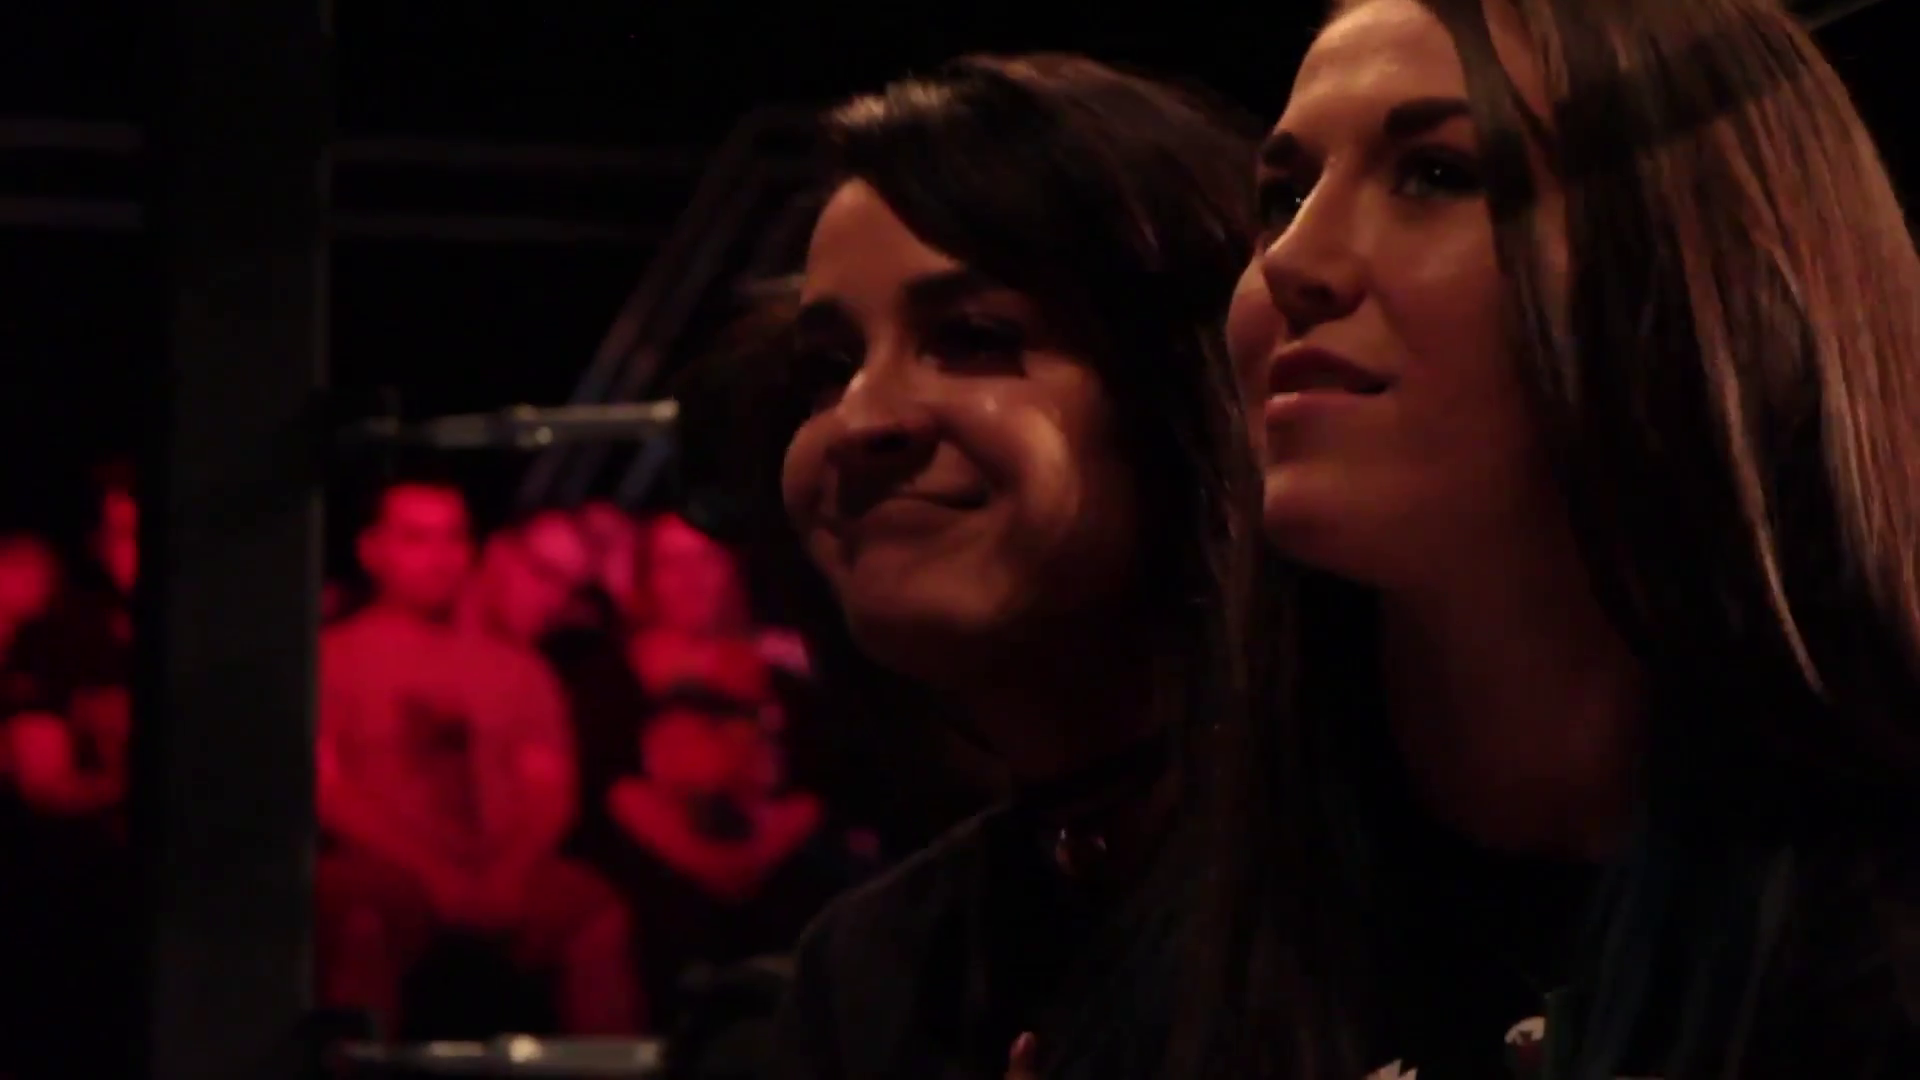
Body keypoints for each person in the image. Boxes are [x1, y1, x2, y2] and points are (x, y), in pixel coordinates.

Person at [1185, 1, 1920, 1078]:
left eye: (1436, 173)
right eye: (1283, 197)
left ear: (1703, 265)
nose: (1293, 260)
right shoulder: (1201, 938)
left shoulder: (1880, 939)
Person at [763, 54, 1262, 1079]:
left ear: (1189, 384)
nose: (858, 419)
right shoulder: (871, 975)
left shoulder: (1420, 895)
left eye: (973, 338)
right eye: (829, 367)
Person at [316, 475, 642, 1035]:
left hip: (506, 873)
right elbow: (328, 790)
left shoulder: (518, 668)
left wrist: (508, 873)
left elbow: (550, 790)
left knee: (594, 911)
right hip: (384, 873)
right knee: (352, 914)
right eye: (417, 538)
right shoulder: (332, 658)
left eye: (453, 537)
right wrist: (431, 873)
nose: (440, 557)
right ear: (372, 550)